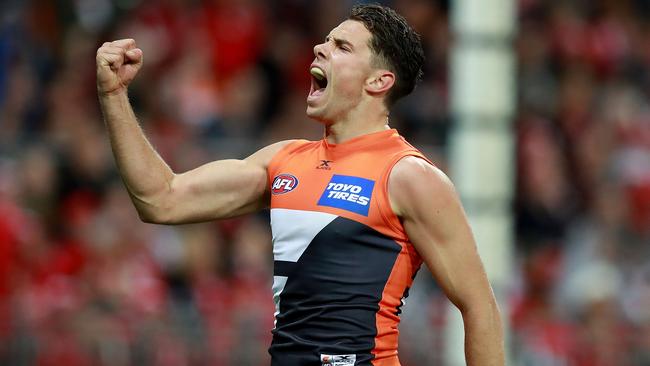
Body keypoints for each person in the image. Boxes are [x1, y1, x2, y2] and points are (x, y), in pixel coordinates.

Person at [96, 4, 504, 366]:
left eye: (343, 47)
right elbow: (160, 200)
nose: (320, 49)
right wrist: (114, 95)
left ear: (378, 82)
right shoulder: (283, 160)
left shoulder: (409, 175)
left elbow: (479, 306)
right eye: (326, 41)